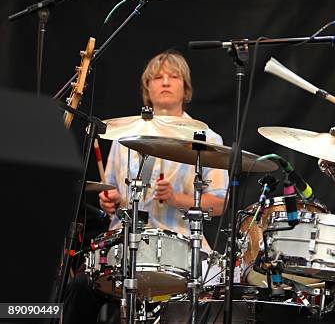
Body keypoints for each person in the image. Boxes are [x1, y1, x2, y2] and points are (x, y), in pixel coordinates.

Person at [63, 50, 228, 323]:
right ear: (147, 89)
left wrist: (177, 198)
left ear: (185, 88)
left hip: (182, 251)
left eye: (173, 77)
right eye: (158, 77)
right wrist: (109, 201)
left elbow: (220, 203)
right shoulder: (123, 136)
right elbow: (111, 192)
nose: (165, 82)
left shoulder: (208, 138)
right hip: (122, 249)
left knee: (213, 294)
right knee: (79, 288)